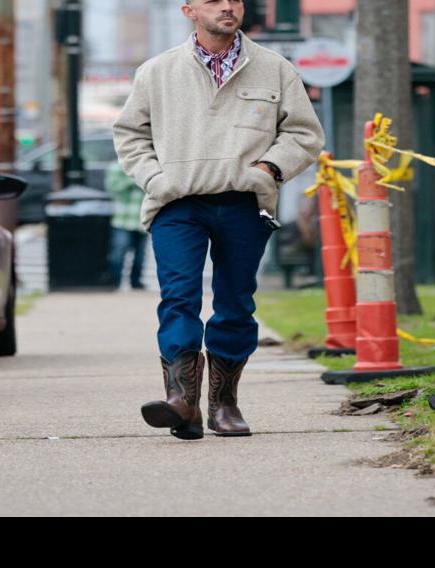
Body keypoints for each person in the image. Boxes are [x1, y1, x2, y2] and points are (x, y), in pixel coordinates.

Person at [112, 0, 324, 440]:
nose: (227, 7)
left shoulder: (275, 68)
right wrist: (156, 178)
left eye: (235, 0)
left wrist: (267, 170)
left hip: (244, 203)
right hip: (177, 203)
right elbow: (130, 134)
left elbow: (304, 133)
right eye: (213, 0)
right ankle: (181, 402)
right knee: (178, 298)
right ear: (190, 10)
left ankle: (223, 404)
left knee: (235, 303)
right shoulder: (157, 71)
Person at [105, 161, 148, 290]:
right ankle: (115, 282)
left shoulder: (147, 166)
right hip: (122, 219)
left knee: (140, 255)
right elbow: (114, 189)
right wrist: (134, 179)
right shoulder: (115, 167)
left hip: (142, 219)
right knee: (118, 253)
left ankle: (136, 282)